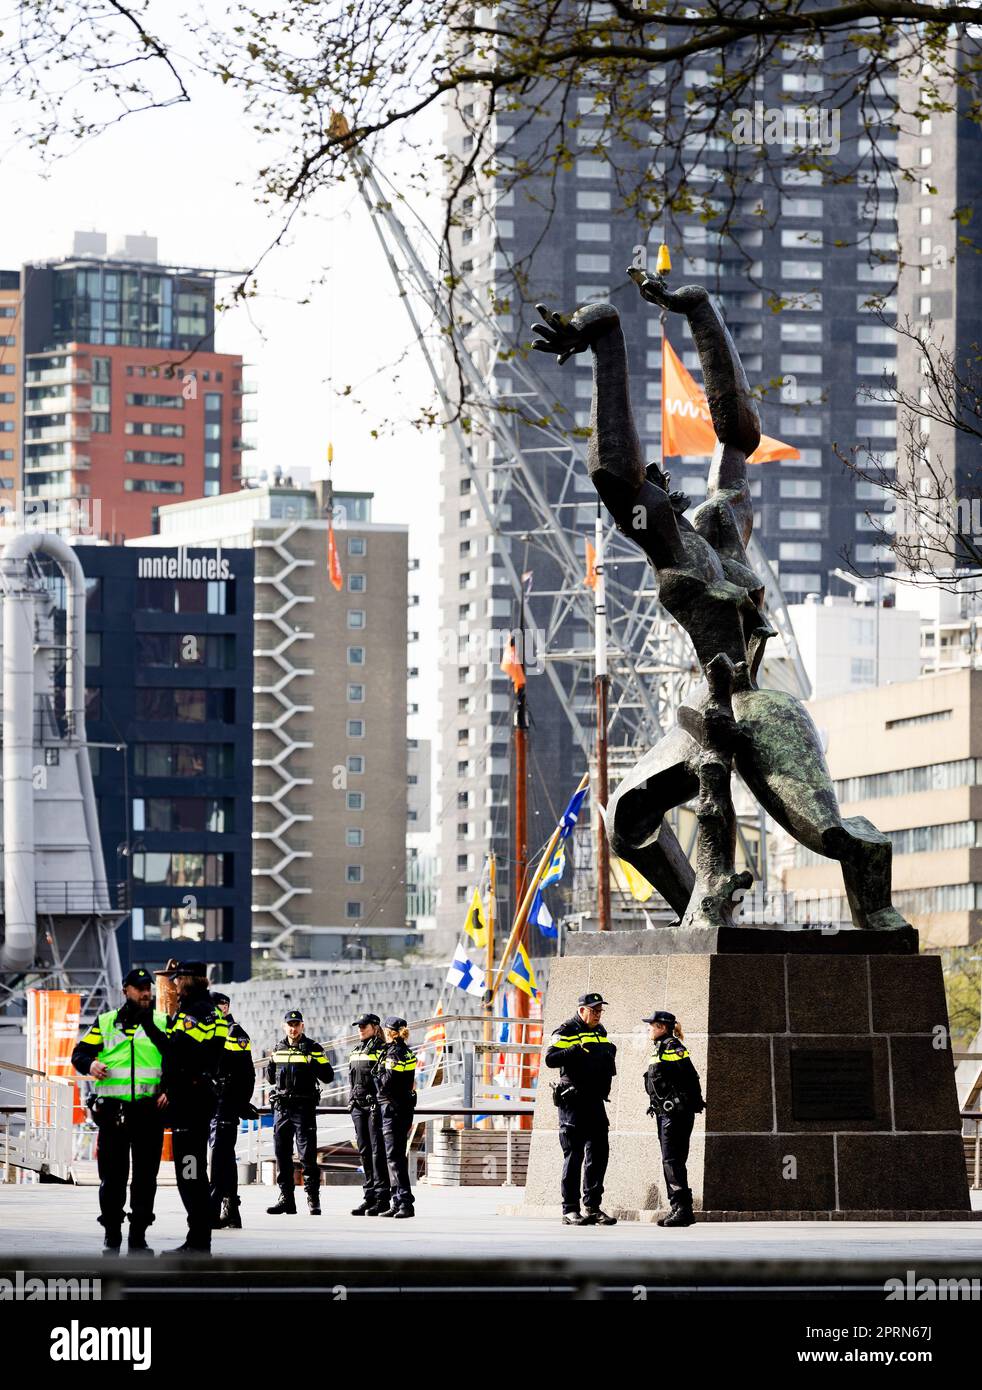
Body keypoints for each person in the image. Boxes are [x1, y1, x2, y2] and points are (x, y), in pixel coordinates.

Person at [72, 967, 168, 1256]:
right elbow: (79, 1053)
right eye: (140, 988)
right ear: (126, 989)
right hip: (113, 1115)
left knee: (145, 1179)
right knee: (112, 1179)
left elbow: (177, 1060)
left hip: (148, 1112)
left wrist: (169, 1087)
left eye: (148, 988)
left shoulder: (162, 1021)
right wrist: (90, 1065)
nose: (146, 992)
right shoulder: (106, 1022)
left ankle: (138, 1237)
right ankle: (112, 1235)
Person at [158, 961, 230, 1255]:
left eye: (177, 980)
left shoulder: (194, 1012)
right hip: (195, 1099)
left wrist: (169, 1090)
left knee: (190, 1174)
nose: (174, 984)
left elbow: (182, 1054)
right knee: (193, 1172)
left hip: (190, 1100)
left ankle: (198, 1240)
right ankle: (197, 1238)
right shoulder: (205, 1008)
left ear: (189, 980)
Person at [545, 991, 618, 1227]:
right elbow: (550, 1059)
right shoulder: (566, 1030)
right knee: (574, 1155)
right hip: (573, 1102)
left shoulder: (600, 1031)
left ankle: (593, 1207)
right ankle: (570, 1210)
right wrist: (575, 1050)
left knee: (598, 1155)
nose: (598, 1014)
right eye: (594, 1010)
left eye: (600, 1011)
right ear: (582, 1010)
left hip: (595, 1100)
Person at [266, 1008, 334, 1215]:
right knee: (282, 1155)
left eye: (296, 1024)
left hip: (303, 1108)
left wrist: (313, 1062)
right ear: (284, 1026)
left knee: (307, 1156)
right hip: (282, 1108)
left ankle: (313, 1199)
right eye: (290, 1024)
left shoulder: (313, 1047)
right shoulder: (278, 1048)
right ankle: (286, 1199)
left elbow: (328, 1076)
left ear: (302, 1026)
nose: (293, 1028)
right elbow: (271, 1077)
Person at [643, 1009, 705, 1228]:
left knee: (672, 1160)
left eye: (651, 1025)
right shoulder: (661, 1047)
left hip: (675, 1114)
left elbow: (689, 1077)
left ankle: (682, 1209)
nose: (648, 1029)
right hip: (666, 1113)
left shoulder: (672, 1046)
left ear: (661, 1027)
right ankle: (680, 1209)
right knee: (673, 1160)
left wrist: (683, 1104)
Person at [209, 992, 257, 1231]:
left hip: (225, 1104)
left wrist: (240, 1103)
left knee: (219, 1158)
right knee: (224, 1158)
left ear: (226, 1008)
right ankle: (231, 1212)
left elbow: (247, 1074)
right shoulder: (209, 1031)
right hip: (211, 1104)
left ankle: (214, 1209)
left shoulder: (234, 1033)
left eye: (220, 1006)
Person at [347, 1012, 391, 1216]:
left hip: (373, 1107)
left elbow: (385, 1080)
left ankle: (382, 1199)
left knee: (377, 1152)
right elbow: (353, 1080)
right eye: (359, 1026)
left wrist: (379, 1101)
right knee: (365, 1151)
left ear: (375, 1027)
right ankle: (369, 1196)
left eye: (364, 1026)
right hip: (358, 1106)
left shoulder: (383, 1050)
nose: (360, 1029)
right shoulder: (356, 1050)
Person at [374, 1016, 417, 1219]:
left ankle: (405, 1202)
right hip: (403, 1108)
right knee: (396, 1156)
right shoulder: (407, 1051)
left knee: (394, 1157)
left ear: (389, 1032)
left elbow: (386, 1083)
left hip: (392, 1109)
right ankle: (398, 1200)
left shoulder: (393, 1054)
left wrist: (377, 1074)